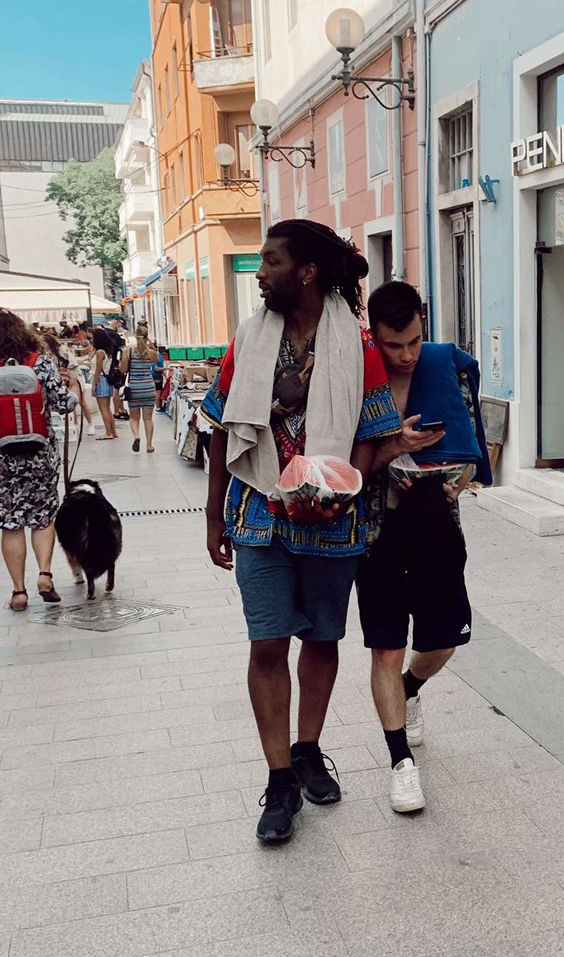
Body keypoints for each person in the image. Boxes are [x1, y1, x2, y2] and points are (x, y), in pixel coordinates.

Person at [203, 219, 400, 844]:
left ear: (307, 272)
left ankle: (309, 749)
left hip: (331, 523)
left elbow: (375, 435)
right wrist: (213, 516)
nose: (260, 274)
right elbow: (220, 428)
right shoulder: (248, 339)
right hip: (259, 516)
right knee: (267, 645)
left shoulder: (358, 344)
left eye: (271, 262)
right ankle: (281, 778)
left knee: (320, 639)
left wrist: (338, 491)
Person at [357, 281, 492, 813]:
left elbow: (471, 442)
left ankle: (410, 688)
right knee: (386, 647)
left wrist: (459, 480)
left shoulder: (442, 369)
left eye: (414, 341)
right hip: (376, 531)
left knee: (442, 644)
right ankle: (400, 764)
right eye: (394, 345)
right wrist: (394, 449)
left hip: (437, 525)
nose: (407, 355)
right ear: (374, 336)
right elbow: (345, 463)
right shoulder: (359, 380)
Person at [0, 310, 80, 610]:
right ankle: (45, 575)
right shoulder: (39, 362)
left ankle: (18, 592)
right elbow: (64, 404)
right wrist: (72, 388)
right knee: (43, 517)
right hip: (40, 453)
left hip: (2, 458)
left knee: (11, 524)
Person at [119, 330, 158, 453]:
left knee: (134, 418)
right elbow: (156, 361)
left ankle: (136, 436)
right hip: (149, 388)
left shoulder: (128, 351)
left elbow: (122, 370)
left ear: (135, 336)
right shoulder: (150, 352)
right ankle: (149, 445)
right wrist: (150, 345)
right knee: (148, 418)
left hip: (134, 389)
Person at [90, 328, 119, 441]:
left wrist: (94, 385)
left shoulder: (99, 352)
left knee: (103, 409)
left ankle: (108, 432)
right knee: (107, 408)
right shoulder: (107, 352)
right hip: (107, 380)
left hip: (101, 380)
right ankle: (113, 431)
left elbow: (98, 370)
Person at [105, 319, 128, 421]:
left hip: (109, 364)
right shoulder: (114, 335)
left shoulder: (105, 333)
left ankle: (121, 409)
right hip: (116, 364)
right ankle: (117, 411)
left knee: (118, 387)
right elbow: (121, 350)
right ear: (116, 322)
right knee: (117, 388)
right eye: (120, 325)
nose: (120, 328)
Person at [151, 344, 167, 412]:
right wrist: (167, 368)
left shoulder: (153, 355)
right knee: (158, 392)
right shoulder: (156, 355)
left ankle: (159, 406)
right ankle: (158, 407)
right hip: (156, 376)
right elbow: (156, 368)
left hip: (154, 375)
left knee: (158, 391)